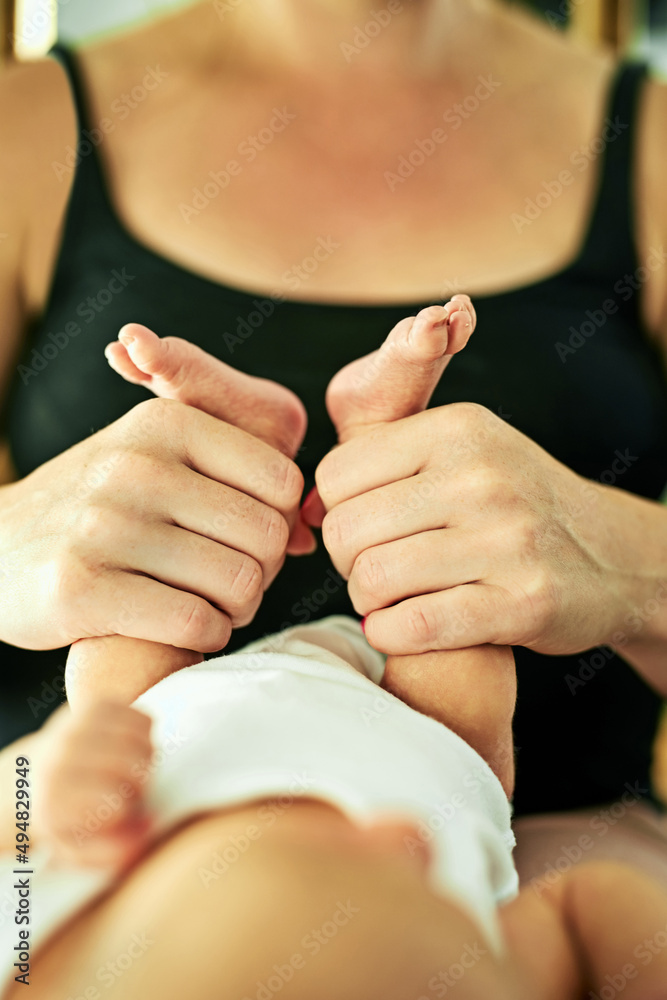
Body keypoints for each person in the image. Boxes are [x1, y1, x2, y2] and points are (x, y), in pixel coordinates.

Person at [1, 0, 667, 879]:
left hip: (499, 849)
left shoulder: (649, 142)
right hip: (98, 837)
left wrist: (623, 560)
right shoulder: (22, 129)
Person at [2, 616, 667, 999]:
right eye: (425, 890)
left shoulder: (24, 951)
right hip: (435, 739)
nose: (401, 837)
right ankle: (388, 428)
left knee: (127, 622)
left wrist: (37, 772)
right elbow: (585, 907)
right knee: (442, 603)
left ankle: (211, 424)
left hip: (163, 718)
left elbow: (15, 812)